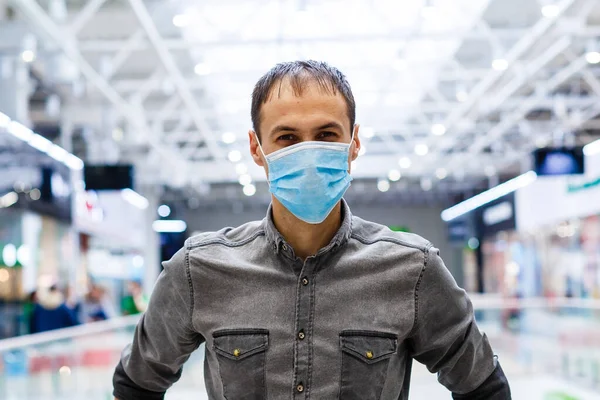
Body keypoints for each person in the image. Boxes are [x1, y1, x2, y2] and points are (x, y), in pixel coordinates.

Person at [113, 61, 511, 399]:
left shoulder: (413, 269)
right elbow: (136, 385)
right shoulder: (197, 270)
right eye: (287, 138)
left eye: (326, 135)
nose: (307, 151)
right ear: (257, 148)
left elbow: (483, 387)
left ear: (354, 144)